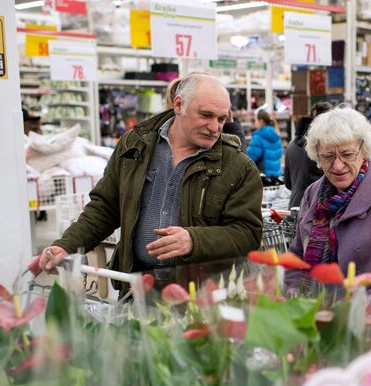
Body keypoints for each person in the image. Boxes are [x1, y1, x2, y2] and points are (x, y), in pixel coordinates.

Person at [36, 74, 263, 282]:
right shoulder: (135, 146)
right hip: (138, 284)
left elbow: (247, 233)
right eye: (205, 115)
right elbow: (105, 207)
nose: (214, 127)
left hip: (201, 292)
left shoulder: (238, 166)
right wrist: (67, 246)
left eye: (221, 119)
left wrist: (194, 240)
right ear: (178, 104)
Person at [286, 106, 371, 295]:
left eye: (347, 154)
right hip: (320, 314)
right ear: (317, 156)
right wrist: (295, 295)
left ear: (364, 150)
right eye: (328, 156)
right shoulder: (312, 193)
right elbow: (297, 255)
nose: (338, 165)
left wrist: (359, 312)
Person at [283, 101, 333, 209]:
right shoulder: (323, 147)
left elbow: (288, 183)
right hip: (318, 209)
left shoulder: (292, 145)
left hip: (295, 206)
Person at [247, 110, 283, 178]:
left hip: (263, 178)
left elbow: (249, 159)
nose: (255, 123)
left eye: (255, 120)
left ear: (261, 121)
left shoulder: (258, 137)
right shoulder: (277, 136)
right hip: (276, 177)